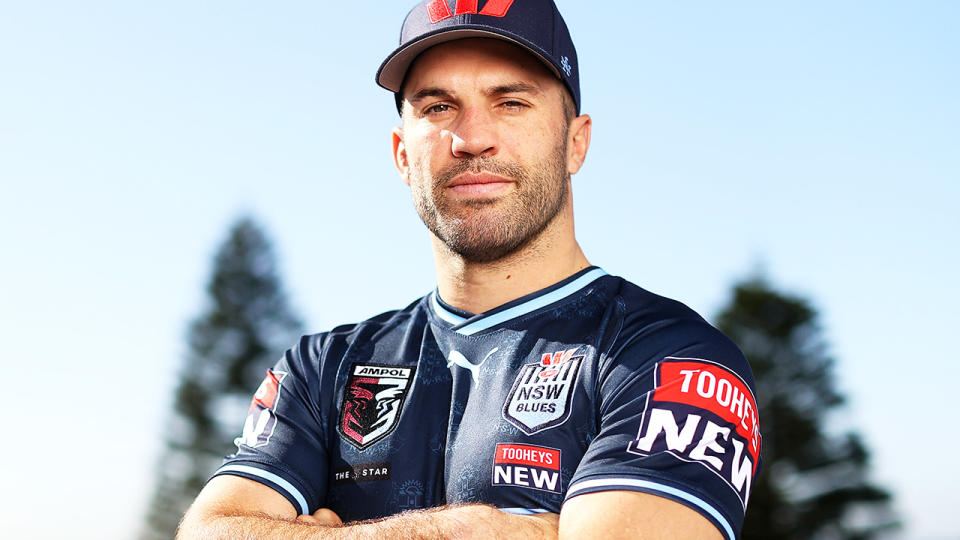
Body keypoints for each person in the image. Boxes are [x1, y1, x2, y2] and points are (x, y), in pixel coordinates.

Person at [178, 1, 761, 539]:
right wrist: (482, 530)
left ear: (575, 143)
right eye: (438, 107)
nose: (471, 138)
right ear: (403, 154)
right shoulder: (322, 369)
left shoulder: (670, 357)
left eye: (511, 102)